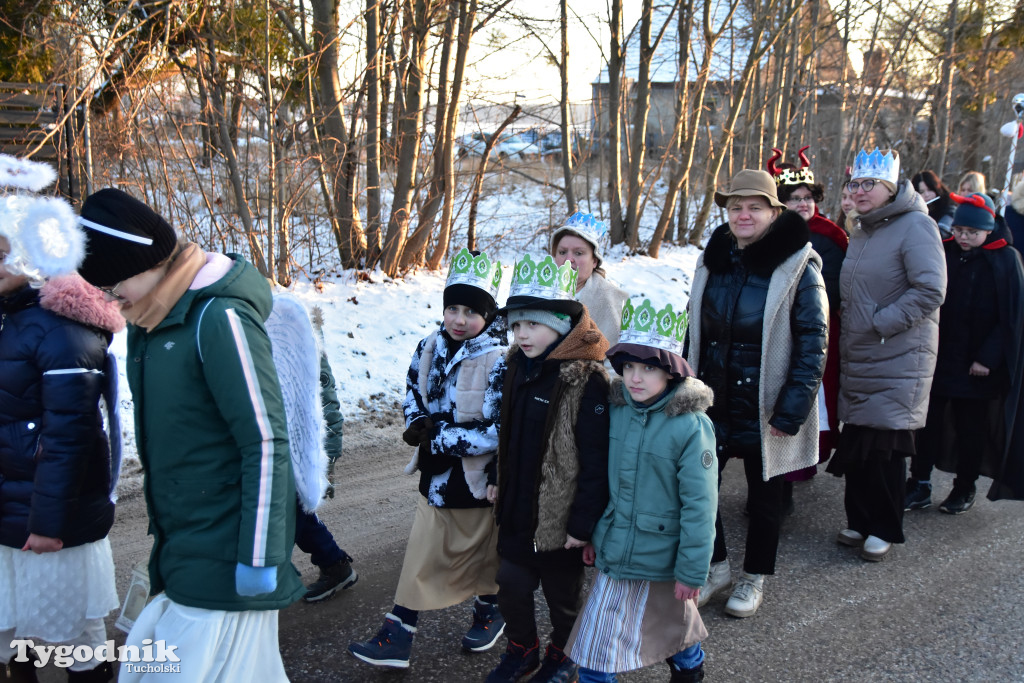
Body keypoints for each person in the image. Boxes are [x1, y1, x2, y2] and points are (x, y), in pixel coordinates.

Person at [77, 188, 304, 682]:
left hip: (228, 552)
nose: (108, 296)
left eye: (112, 282)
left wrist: (260, 557)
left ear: (144, 260)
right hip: (183, 544)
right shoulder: (150, 320)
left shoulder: (217, 318)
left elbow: (265, 442)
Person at [348, 248, 507, 668]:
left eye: (470, 311)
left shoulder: (499, 360)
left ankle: (490, 610)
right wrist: (417, 420)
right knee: (423, 549)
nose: (458, 319)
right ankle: (398, 634)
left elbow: (498, 428)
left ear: (488, 316)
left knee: (478, 553)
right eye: (452, 307)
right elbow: (413, 390)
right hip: (434, 474)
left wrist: (441, 438)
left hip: (474, 476)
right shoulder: (429, 345)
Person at [0, 158, 124, 683]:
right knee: (17, 640)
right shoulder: (10, 319)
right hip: (11, 513)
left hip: (50, 522)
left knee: (74, 645)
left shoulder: (62, 330)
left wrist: (48, 525)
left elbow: (70, 436)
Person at [687, 169, 827, 618]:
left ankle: (754, 576)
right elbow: (695, 331)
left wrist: (791, 411)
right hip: (713, 400)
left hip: (767, 404)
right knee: (697, 488)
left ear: (773, 212)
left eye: (754, 207)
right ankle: (717, 566)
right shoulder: (713, 260)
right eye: (735, 207)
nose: (744, 215)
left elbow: (813, 344)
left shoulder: (799, 267)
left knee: (765, 502)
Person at [566, 298, 717, 683]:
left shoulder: (690, 426)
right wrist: (597, 535)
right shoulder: (618, 410)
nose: (635, 377)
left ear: (670, 373)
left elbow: (700, 505)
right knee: (598, 647)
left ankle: (689, 667)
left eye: (648, 368)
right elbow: (607, 485)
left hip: (663, 552)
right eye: (629, 366)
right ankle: (686, 664)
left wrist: (692, 571)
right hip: (618, 548)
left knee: (671, 619)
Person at [485, 253, 610, 683]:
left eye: (532, 324)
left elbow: (596, 461)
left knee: (563, 599)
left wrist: (583, 524)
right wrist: (494, 479)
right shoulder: (516, 367)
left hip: (561, 520)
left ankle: (565, 652)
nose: (521, 334)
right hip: (519, 510)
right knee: (511, 585)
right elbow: (508, 435)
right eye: (516, 325)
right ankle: (522, 648)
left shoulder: (586, 380)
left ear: (559, 327)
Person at [828, 149, 946, 561]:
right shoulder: (864, 229)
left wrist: (881, 321)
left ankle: (884, 526)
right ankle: (859, 520)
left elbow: (930, 289)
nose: (858, 191)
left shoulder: (916, 226)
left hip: (896, 355)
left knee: (884, 446)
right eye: (854, 184)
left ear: (891, 188)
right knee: (859, 441)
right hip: (862, 353)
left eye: (868, 184)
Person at [907, 193, 1024, 512]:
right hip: (940, 357)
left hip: (978, 368)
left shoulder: (1005, 259)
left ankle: (964, 486)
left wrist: (987, 358)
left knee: (970, 429)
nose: (963, 237)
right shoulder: (943, 252)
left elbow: (1011, 318)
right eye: (959, 230)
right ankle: (919, 482)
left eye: (971, 232)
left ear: (988, 230)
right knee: (926, 425)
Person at [770, 147, 849, 477]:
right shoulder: (768, 233)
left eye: (807, 197)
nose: (803, 204)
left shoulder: (830, 236)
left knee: (810, 396)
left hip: (816, 330)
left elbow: (835, 289)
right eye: (794, 198)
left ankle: (804, 461)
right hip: (775, 328)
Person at [293, 308, 359, 602]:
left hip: (302, 451)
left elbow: (327, 406)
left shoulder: (300, 341)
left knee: (289, 513)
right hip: (281, 450)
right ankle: (335, 565)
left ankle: (270, 583)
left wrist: (326, 458)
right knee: (297, 512)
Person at [551, 212, 628, 344]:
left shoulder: (609, 299)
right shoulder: (540, 290)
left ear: (594, 261)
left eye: (578, 253)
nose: (568, 260)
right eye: (562, 252)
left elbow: (615, 357)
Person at [912, 170, 955, 238]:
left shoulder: (949, 208)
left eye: (929, 190)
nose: (926, 195)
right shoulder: (914, 210)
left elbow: (942, 233)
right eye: (921, 192)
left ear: (936, 189)